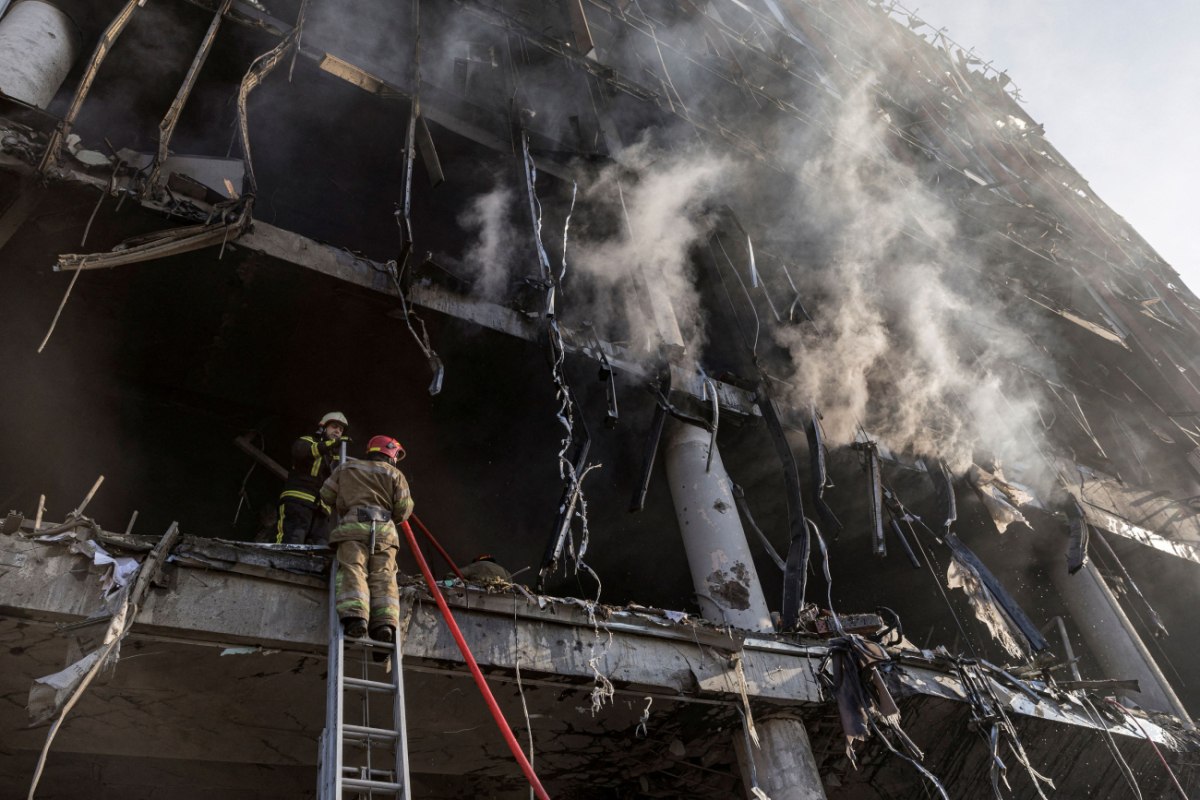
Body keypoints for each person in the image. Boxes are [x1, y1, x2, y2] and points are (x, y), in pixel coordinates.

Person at [319, 435, 413, 642]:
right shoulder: (396, 474)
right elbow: (403, 510)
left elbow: (326, 495)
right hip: (384, 532)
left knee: (354, 568)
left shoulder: (345, 469)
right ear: (390, 452)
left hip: (352, 527)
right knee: (384, 574)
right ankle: (384, 623)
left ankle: (355, 618)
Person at [276, 411, 349, 544]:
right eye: (334, 426)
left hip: (321, 510)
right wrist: (331, 444)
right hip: (298, 502)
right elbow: (302, 452)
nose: (338, 431)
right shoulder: (306, 441)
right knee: (292, 540)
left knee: (320, 547)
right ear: (323, 427)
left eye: (341, 429)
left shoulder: (336, 458)